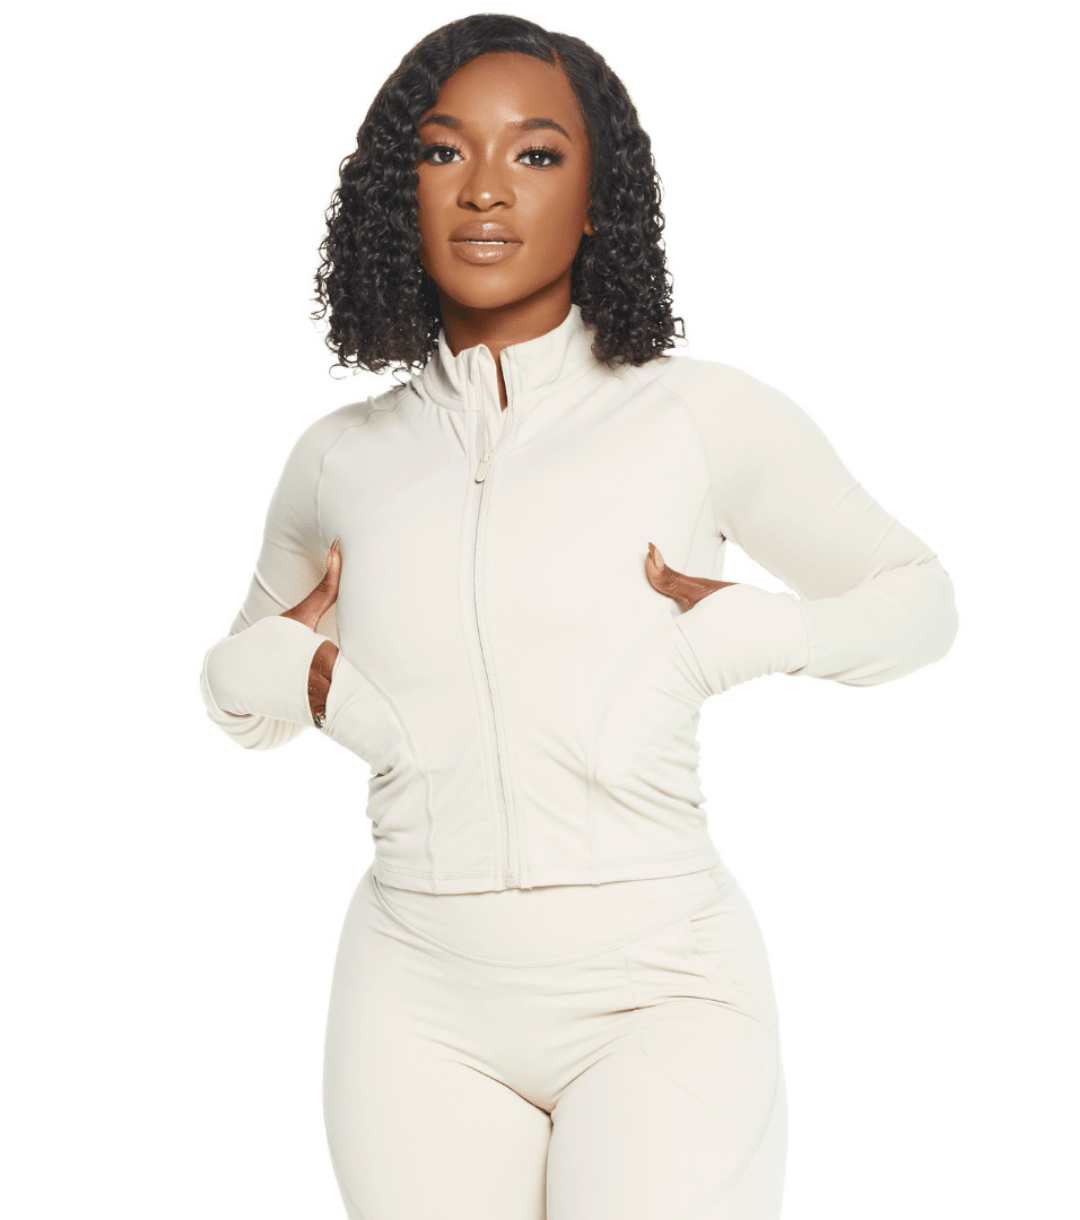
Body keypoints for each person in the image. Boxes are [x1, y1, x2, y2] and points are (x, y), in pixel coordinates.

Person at [198, 13, 958, 1219]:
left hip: (661, 981)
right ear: (400, 191)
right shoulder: (339, 458)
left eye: (538, 153)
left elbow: (920, 600)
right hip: (416, 996)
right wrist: (300, 676)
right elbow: (242, 698)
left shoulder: (698, 416)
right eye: (444, 151)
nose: (486, 189)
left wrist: (753, 635)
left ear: (599, 200)